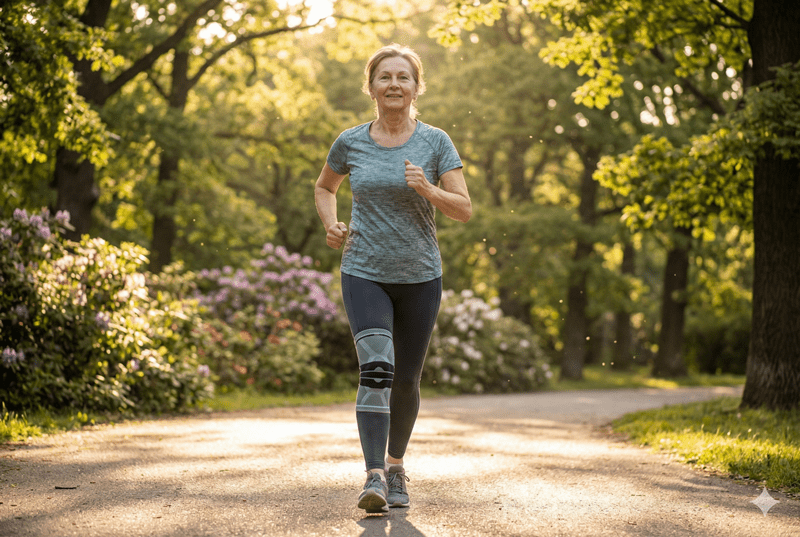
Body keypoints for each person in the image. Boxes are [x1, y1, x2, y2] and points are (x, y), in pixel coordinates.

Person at [314, 43, 472, 513]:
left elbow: (464, 208)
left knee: (405, 380)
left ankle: (397, 465)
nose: (394, 85)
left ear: (416, 86)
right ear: (372, 86)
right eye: (385, 77)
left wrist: (428, 187)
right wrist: (331, 223)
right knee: (377, 367)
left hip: (421, 275)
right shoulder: (350, 141)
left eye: (404, 77)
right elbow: (325, 186)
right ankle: (374, 476)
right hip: (364, 270)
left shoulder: (436, 142)